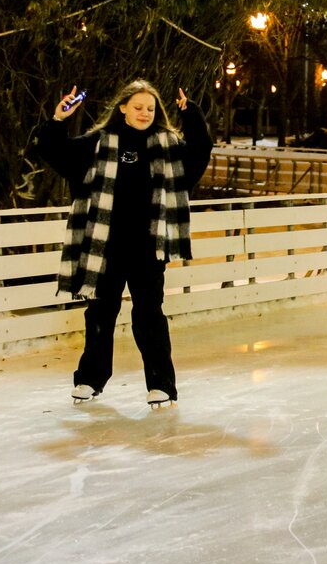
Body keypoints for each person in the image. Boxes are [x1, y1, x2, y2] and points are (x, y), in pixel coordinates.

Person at [37, 80, 213, 406]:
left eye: (150, 108)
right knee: (100, 314)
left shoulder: (168, 145)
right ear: (122, 109)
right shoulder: (100, 143)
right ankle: (91, 379)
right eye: (138, 107)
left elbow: (201, 150)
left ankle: (161, 385)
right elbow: (56, 152)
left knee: (149, 315)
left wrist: (193, 115)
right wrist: (58, 119)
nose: (145, 113)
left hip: (148, 248)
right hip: (105, 246)